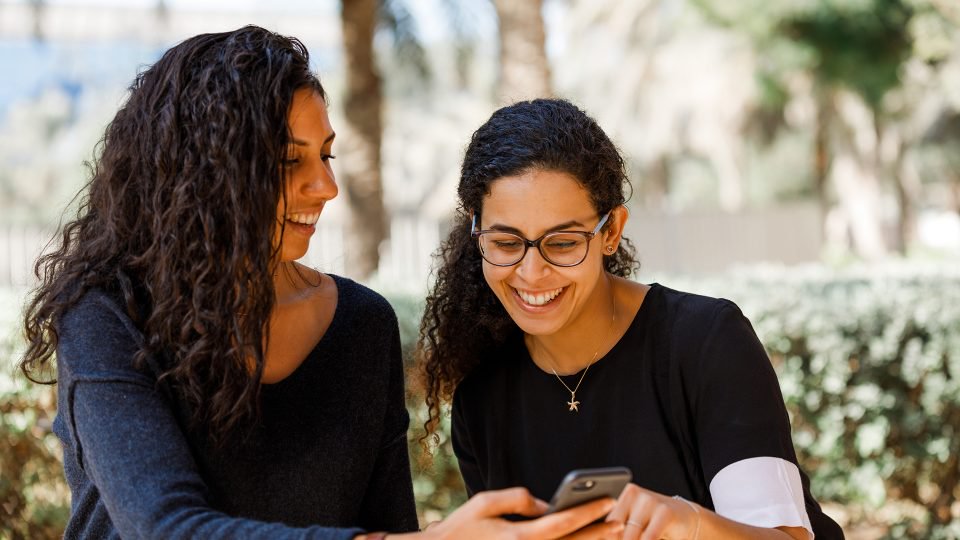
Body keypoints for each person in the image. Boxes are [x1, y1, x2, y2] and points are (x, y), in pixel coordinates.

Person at [19, 27, 623, 540]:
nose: (326, 187)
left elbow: (387, 526)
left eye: (326, 156)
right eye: (289, 161)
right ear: (202, 174)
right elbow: (168, 528)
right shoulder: (107, 317)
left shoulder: (362, 325)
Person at [417, 98, 845, 540]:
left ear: (612, 231)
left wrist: (689, 524)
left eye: (562, 243)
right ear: (476, 231)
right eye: (506, 243)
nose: (531, 272)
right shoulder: (481, 401)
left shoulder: (707, 342)